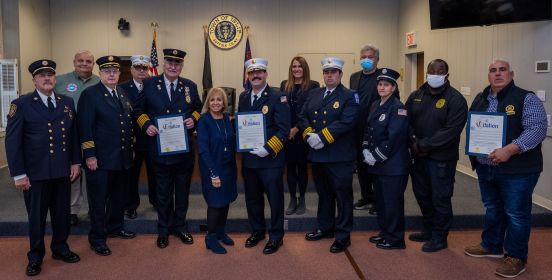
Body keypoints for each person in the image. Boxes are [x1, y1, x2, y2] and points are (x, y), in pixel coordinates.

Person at [464, 60, 547, 278]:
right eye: (493, 70)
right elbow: (473, 126)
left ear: (511, 74)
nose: (497, 74)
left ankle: (516, 257)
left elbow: (537, 129)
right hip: (486, 168)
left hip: (518, 170)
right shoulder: (481, 98)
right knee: (493, 208)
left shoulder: (526, 98)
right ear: (488, 75)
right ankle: (491, 244)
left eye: (502, 70)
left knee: (516, 214)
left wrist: (510, 149)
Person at [6, 59, 81, 276]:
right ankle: (35, 256)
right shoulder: (21, 104)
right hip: (34, 174)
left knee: (61, 215)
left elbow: (73, 135)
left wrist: (75, 161)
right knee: (36, 218)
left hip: (61, 171)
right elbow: (12, 142)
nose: (47, 78)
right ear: (34, 80)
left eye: (50, 74)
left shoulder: (66, 102)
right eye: (42, 75)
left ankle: (60, 248)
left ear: (55, 79)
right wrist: (19, 174)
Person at [134, 48, 203, 249]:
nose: (173, 67)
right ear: (164, 65)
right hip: (159, 149)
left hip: (183, 151)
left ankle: (180, 227)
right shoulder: (148, 84)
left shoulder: (189, 86)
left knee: (182, 191)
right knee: (163, 193)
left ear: (182, 66)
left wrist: (193, 119)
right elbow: (138, 110)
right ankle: (163, 229)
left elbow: (198, 108)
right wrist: (147, 125)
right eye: (170, 63)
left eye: (177, 64)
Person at [405, 59, 468, 252]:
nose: (435, 74)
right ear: (426, 73)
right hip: (418, 157)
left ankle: (440, 237)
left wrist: (422, 145)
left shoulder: (455, 99)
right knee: (422, 195)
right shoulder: (416, 95)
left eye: (440, 71)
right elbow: (404, 119)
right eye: (432, 70)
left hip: (441, 159)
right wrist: (412, 141)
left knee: (440, 198)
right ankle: (429, 229)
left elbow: (451, 131)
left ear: (447, 74)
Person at [298, 57, 359, 253]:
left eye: (333, 72)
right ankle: (325, 227)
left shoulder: (350, 96)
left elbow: (346, 121)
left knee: (343, 197)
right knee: (324, 195)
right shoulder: (315, 93)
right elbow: (302, 116)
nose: (329, 75)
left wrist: (322, 137)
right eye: (326, 72)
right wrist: (308, 134)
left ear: (340, 74)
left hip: (339, 156)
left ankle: (343, 235)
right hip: (318, 155)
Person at [78, 55, 136, 257]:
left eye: (115, 71)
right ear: (100, 73)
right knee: (98, 201)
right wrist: (90, 155)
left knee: (118, 198)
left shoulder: (122, 92)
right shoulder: (90, 94)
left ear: (119, 74)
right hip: (100, 160)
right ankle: (97, 238)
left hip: (121, 158)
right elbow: (85, 127)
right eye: (107, 71)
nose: (111, 74)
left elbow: (126, 124)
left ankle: (115, 227)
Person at [237, 58, 290, 254]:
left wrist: (268, 148)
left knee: (275, 200)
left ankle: (276, 236)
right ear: (248, 76)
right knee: (253, 199)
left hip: (270, 159)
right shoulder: (243, 97)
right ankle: (257, 231)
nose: (256, 75)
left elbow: (284, 130)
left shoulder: (278, 96)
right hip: (250, 160)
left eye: (260, 72)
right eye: (252, 72)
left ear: (266, 74)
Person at [362, 68, 409, 250]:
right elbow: (368, 130)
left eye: (386, 85)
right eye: (380, 84)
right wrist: (366, 149)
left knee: (392, 203)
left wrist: (375, 155)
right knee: (381, 202)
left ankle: (396, 238)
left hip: (393, 166)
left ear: (394, 87)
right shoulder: (376, 105)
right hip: (378, 165)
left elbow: (394, 138)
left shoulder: (398, 108)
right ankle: (385, 232)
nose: (382, 87)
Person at [54, 50, 100, 226]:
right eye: (80, 60)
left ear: (93, 64)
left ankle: (92, 208)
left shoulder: (99, 81)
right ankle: (72, 210)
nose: (84, 64)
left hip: (93, 135)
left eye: (88, 61)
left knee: (92, 172)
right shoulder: (60, 81)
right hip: (69, 135)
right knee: (73, 172)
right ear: (74, 62)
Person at [197, 87, 238, 254]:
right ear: (208, 102)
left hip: (228, 167)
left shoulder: (227, 118)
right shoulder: (204, 120)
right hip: (212, 168)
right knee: (215, 204)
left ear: (224, 103)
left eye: (219, 100)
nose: (215, 103)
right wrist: (213, 173)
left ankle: (221, 232)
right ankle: (210, 238)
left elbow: (232, 141)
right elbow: (203, 150)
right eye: (212, 100)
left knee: (225, 201)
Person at [279, 56, 319, 215]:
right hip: (287, 135)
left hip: (304, 134)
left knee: (302, 168)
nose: (296, 69)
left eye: (299, 66)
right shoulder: (284, 85)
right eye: (294, 66)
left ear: (305, 69)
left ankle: (302, 199)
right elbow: (282, 109)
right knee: (289, 168)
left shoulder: (313, 86)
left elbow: (310, 110)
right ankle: (292, 198)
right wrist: (286, 129)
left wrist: (296, 128)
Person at [119, 55, 157, 219]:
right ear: (131, 69)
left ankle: (157, 202)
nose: (141, 71)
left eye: (144, 68)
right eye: (138, 68)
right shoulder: (121, 88)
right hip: (132, 139)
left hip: (152, 138)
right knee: (131, 176)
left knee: (155, 173)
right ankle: (131, 206)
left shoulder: (155, 86)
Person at [349, 45, 381, 213]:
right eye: (363, 57)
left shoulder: (383, 77)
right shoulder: (354, 77)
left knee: (375, 164)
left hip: (377, 128)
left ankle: (377, 200)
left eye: (370, 57)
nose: (366, 60)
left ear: (377, 59)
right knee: (361, 165)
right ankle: (366, 196)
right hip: (357, 128)